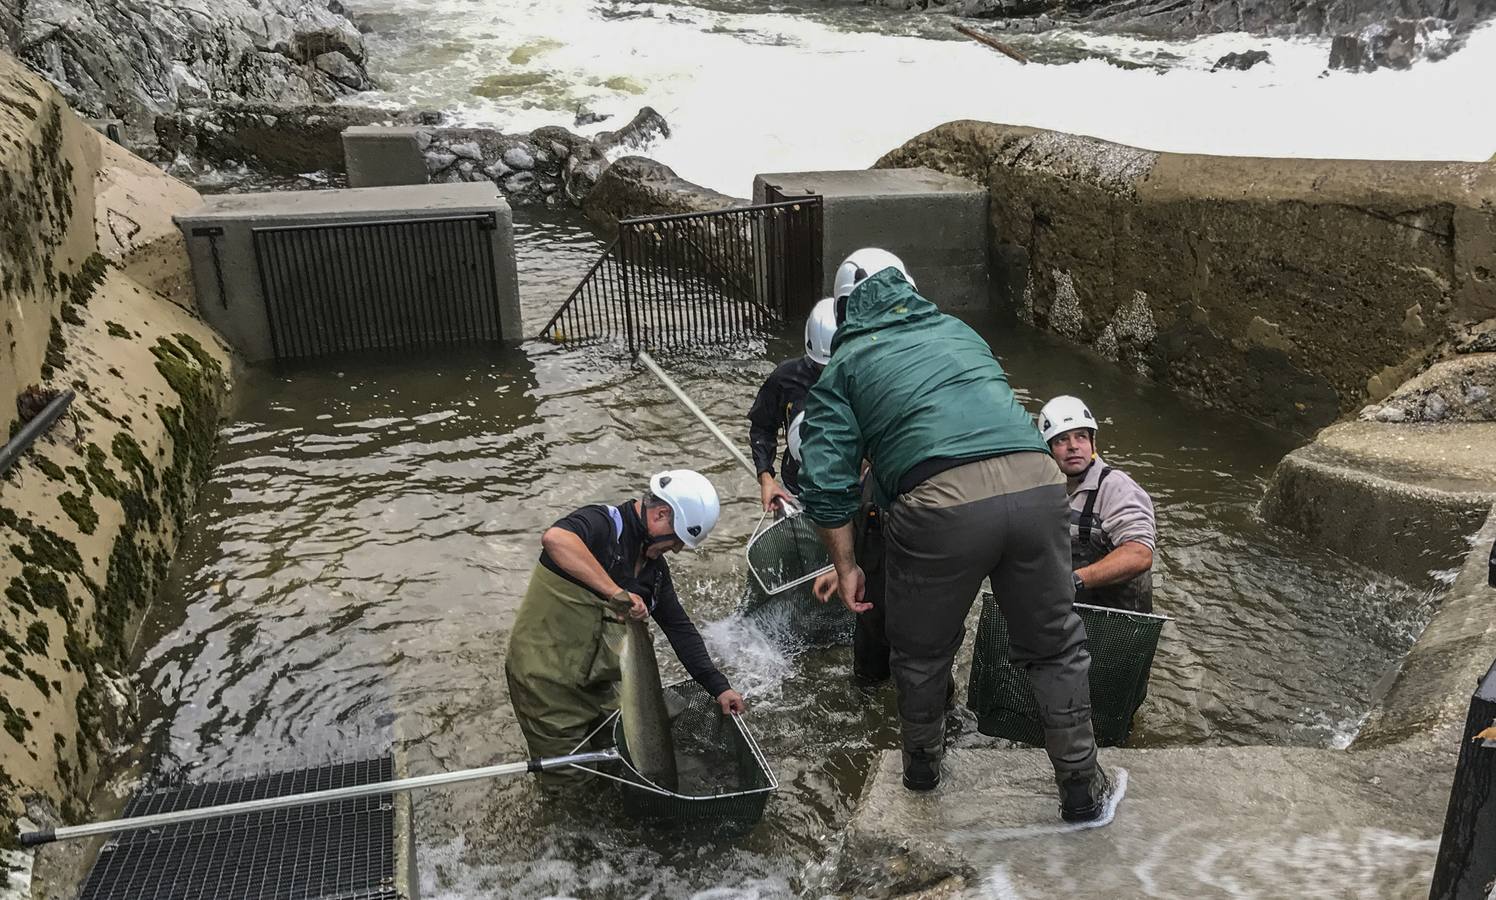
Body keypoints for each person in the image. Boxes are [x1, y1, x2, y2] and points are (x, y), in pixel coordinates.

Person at [797, 248, 1108, 822]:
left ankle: (921, 770)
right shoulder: (959, 330)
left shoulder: (845, 364)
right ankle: (1080, 788)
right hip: (1039, 485)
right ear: (911, 288)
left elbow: (824, 480)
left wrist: (845, 566)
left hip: (940, 504)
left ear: (843, 312)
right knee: (1056, 645)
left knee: (922, 651)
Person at [505, 470, 747, 793]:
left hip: (598, 685)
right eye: (675, 540)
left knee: (616, 770)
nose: (675, 550)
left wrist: (718, 686)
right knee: (571, 790)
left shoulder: (654, 573)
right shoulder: (602, 526)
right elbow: (555, 540)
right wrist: (616, 593)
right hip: (546, 682)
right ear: (660, 514)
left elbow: (680, 630)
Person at [1038, 396, 1156, 613]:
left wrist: (1074, 581)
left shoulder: (1117, 487)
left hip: (1119, 620)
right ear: (1047, 449)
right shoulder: (1039, 488)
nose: (1073, 446)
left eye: (1081, 437)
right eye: (1061, 440)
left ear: (1093, 443)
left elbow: (1139, 554)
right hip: (1065, 610)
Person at [749, 297, 837, 512]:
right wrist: (766, 478)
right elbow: (762, 427)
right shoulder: (785, 378)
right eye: (820, 366)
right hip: (795, 487)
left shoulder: (865, 377)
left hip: (850, 487)